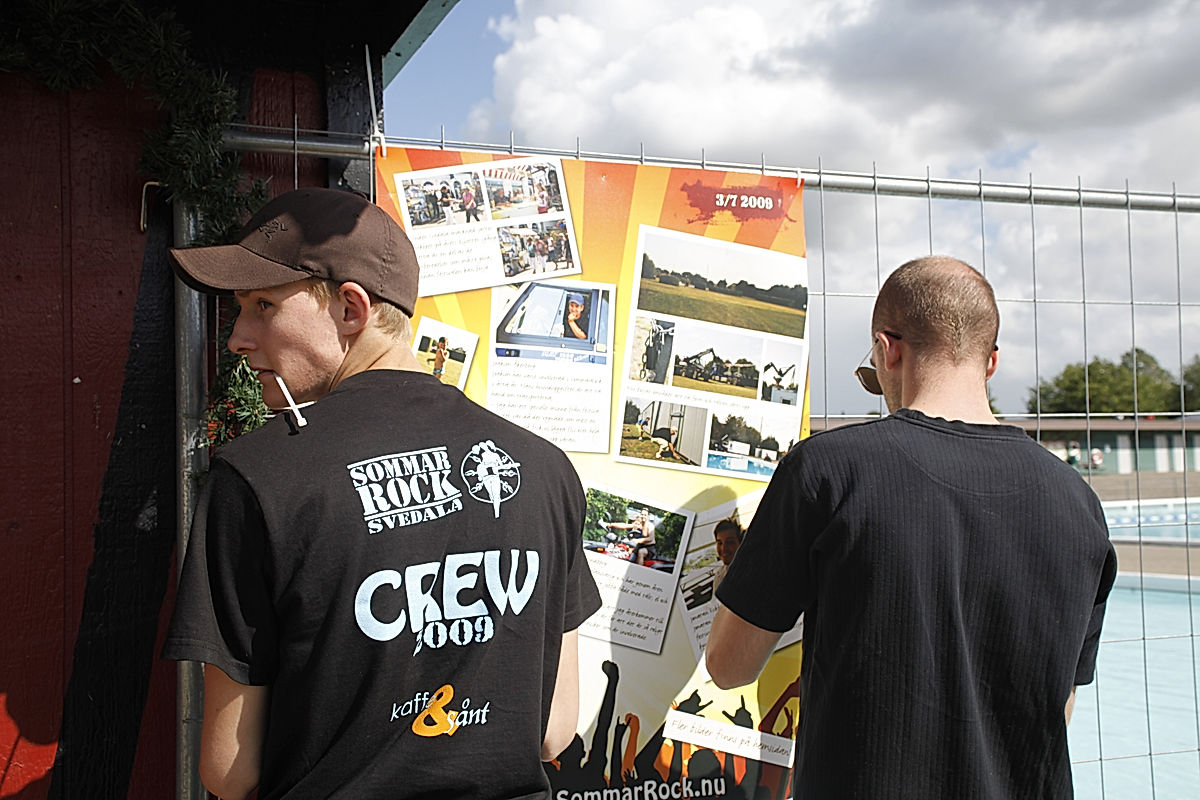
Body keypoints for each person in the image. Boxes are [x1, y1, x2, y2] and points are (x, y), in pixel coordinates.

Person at [163, 188, 601, 800]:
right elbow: (555, 730)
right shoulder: (546, 470)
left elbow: (231, 771)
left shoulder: (258, 478)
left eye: (262, 305)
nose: (238, 337)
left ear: (351, 308)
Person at [706, 256, 1116, 800]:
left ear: (887, 348)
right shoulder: (1080, 506)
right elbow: (1056, 710)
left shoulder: (828, 472)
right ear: (990, 362)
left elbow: (729, 667)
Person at [710, 519, 743, 591]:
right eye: (720, 543)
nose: (724, 548)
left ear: (740, 544)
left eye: (730, 542)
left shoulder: (752, 571)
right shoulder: (719, 577)